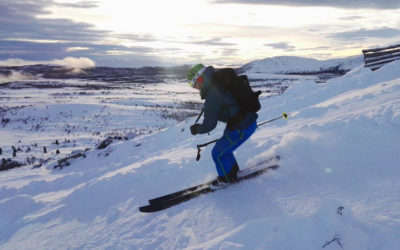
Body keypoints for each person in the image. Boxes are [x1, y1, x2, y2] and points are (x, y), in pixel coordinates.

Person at [187, 64, 258, 187]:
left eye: (194, 84)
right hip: (245, 122)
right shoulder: (219, 84)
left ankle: (226, 178)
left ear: (200, 79)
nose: (195, 88)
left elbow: (209, 125)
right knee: (224, 149)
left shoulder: (212, 94)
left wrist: (197, 129)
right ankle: (232, 171)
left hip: (241, 127)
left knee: (218, 154)